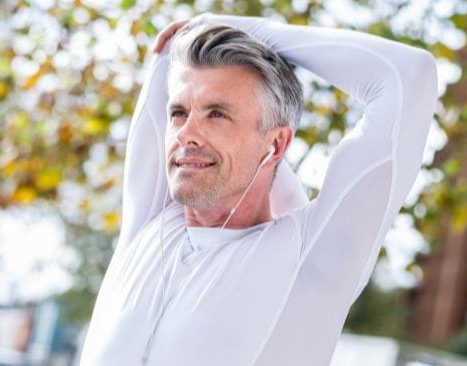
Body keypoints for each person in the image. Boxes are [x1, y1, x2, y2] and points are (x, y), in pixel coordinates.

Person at [79, 13, 438, 366]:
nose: (185, 133)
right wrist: (195, 38)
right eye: (178, 113)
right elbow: (165, 55)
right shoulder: (150, 223)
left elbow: (409, 76)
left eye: (216, 114)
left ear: (277, 144)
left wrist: (244, 27)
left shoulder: (311, 258)